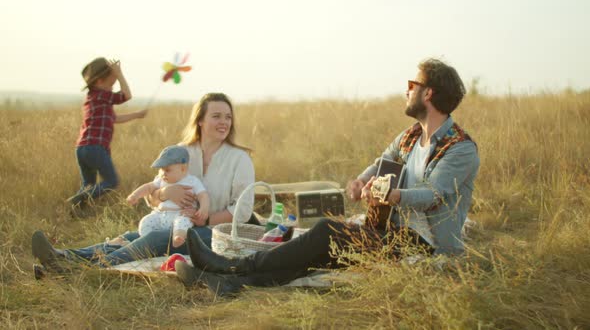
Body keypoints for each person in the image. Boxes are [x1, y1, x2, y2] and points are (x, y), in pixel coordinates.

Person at [174, 58, 480, 297]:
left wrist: (395, 196)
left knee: (326, 230)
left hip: (425, 244)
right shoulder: (411, 136)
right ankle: (224, 283)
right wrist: (361, 181)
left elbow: (434, 194)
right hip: (394, 232)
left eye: (413, 83)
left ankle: (229, 266)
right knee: (315, 256)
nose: (407, 89)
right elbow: (382, 162)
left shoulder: (460, 148)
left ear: (428, 93)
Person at [32, 93, 255, 271]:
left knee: (156, 238)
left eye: (228, 116)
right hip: (175, 223)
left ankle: (83, 270)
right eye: (216, 116)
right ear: (200, 121)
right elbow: (154, 195)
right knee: (130, 237)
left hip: (217, 233)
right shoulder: (181, 152)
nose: (224, 121)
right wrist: (167, 194)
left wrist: (203, 219)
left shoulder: (240, 159)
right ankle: (60, 258)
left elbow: (242, 210)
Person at [68, 57, 148, 207]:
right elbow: (126, 95)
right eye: (112, 83)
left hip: (82, 149)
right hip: (95, 147)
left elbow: (114, 118)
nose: (113, 88)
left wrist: (137, 115)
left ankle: (76, 209)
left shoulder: (93, 98)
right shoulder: (102, 95)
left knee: (89, 185)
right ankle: (78, 199)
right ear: (99, 82)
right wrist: (119, 73)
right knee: (111, 182)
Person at [126, 145, 210, 248]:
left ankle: (178, 238)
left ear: (183, 169)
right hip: (160, 214)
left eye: (167, 170)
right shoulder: (161, 180)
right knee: (145, 222)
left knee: (183, 222)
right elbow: (148, 187)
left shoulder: (192, 181)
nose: (163, 173)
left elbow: (203, 195)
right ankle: (145, 241)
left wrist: (203, 209)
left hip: (180, 214)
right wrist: (135, 195)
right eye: (161, 170)